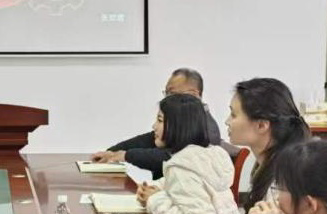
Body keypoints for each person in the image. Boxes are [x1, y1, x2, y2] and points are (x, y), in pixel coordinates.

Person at [145, 77, 310, 214]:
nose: (227, 121)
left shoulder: (282, 186)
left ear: (262, 125)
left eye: (233, 114)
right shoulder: (269, 167)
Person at [91, 68, 230, 179]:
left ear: (193, 94)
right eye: (166, 93)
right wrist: (112, 152)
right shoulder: (181, 119)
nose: (167, 99)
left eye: (172, 93)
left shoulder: (206, 128)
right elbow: (148, 140)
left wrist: (126, 155)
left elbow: (173, 158)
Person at [135, 94, 238, 214]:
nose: (154, 126)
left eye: (160, 120)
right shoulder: (207, 155)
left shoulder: (181, 167)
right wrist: (154, 187)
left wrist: (153, 200)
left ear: (177, 127)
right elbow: (181, 183)